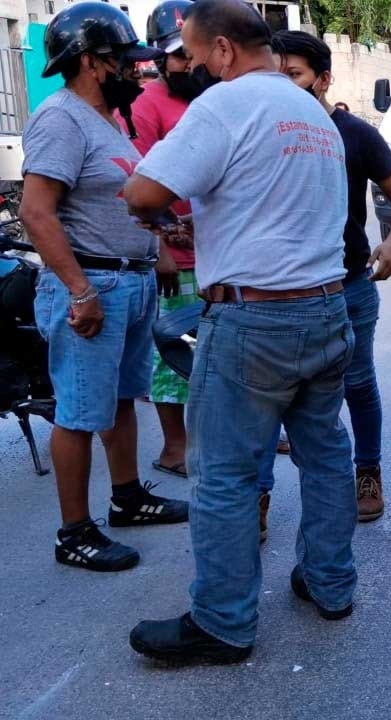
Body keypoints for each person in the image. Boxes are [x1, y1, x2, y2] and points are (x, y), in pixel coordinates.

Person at [125, 0, 354, 663]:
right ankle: (330, 582)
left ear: (224, 49)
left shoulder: (226, 104)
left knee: (223, 474)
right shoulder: (313, 113)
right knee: (326, 453)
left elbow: (142, 192)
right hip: (326, 307)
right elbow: (279, 205)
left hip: (256, 317)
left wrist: (166, 222)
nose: (192, 67)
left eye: (196, 56)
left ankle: (223, 622)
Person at [20, 2, 181, 573]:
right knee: (79, 411)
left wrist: (158, 246)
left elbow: (121, 201)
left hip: (129, 281)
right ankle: (74, 532)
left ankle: (128, 497)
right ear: (91, 62)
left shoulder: (110, 121)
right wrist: (80, 291)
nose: (138, 71)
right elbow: (37, 213)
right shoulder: (61, 118)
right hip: (93, 286)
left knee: (118, 400)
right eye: (125, 61)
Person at [274, 30, 391, 522]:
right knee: (276, 394)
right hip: (279, 291)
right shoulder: (265, 129)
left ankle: (368, 472)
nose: (284, 85)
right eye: (276, 75)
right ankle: (257, 497)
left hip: (349, 284)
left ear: (324, 79)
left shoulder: (355, 133)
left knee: (357, 383)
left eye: (294, 75)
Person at [118, 0, 211, 481]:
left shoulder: (207, 99)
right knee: (170, 356)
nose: (185, 64)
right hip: (172, 257)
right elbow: (133, 184)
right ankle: (176, 446)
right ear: (157, 58)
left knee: (211, 352)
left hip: (214, 254)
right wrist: (157, 252)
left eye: (188, 54)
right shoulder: (146, 105)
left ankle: (213, 435)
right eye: (175, 56)